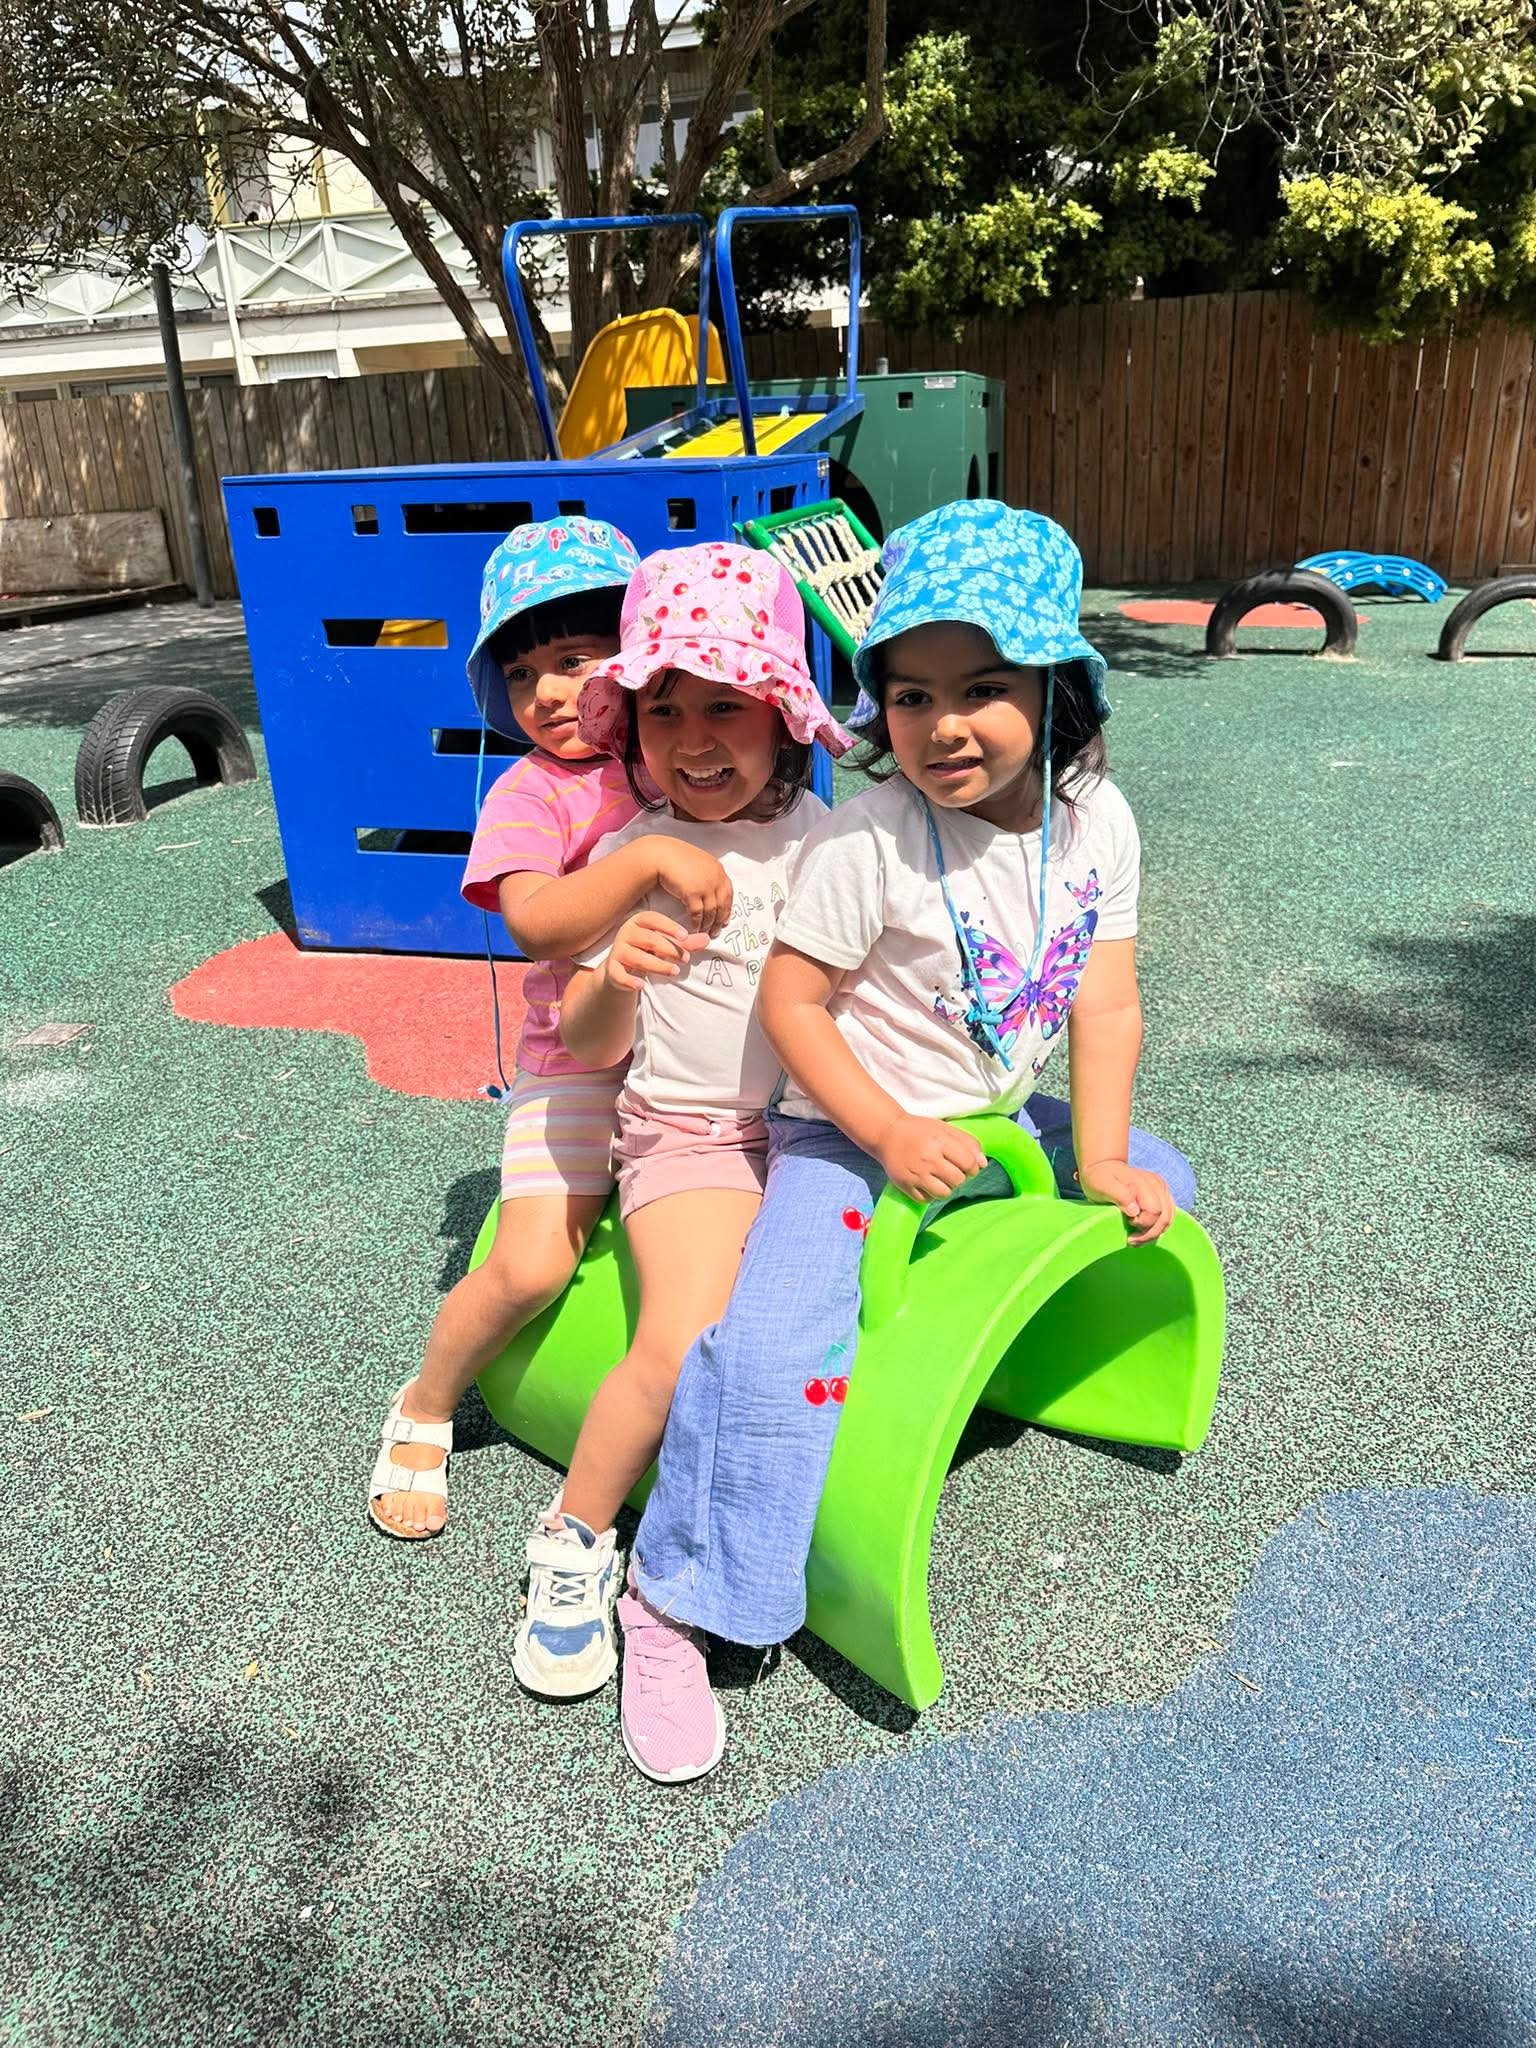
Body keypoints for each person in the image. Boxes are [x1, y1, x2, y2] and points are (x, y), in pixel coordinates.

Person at [619, 500, 1198, 1781]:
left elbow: (1105, 998)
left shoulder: (1099, 824)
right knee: (770, 1351)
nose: (945, 725)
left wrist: (1098, 1157)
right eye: (912, 693)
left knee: (1163, 1179)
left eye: (986, 687)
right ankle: (669, 1593)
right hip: (845, 1129)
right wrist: (880, 1125)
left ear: (1058, 686)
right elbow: (792, 1003)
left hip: (991, 1114)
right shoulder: (869, 837)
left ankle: (1029, 1331)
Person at [508, 541, 852, 1778]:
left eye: (727, 705)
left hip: (816, 1134)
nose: (696, 737)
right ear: (635, 729)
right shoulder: (631, 848)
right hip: (691, 1133)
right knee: (685, 1333)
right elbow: (592, 1042)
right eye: (665, 709)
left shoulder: (835, 840)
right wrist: (613, 969)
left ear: (782, 714)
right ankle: (578, 1535)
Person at [367, 518, 738, 1539]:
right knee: (534, 1264)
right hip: (573, 1058)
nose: (549, 692)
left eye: (576, 659)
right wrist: (641, 865)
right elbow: (534, 916)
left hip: (702, 1058)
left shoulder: (676, 748)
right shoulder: (530, 791)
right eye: (524, 673)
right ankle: (428, 1399)